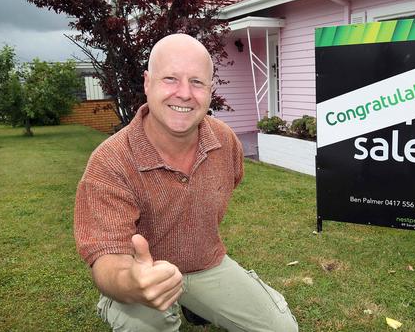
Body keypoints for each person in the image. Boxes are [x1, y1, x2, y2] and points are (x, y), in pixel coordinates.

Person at [74, 34, 298, 332]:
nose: (184, 93)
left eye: (197, 82)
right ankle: (116, 304)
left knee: (282, 329)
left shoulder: (225, 142)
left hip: (204, 264)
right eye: (170, 79)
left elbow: (228, 184)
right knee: (144, 326)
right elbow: (106, 260)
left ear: (210, 90)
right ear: (147, 83)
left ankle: (193, 300)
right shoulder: (110, 161)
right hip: (139, 272)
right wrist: (130, 283)